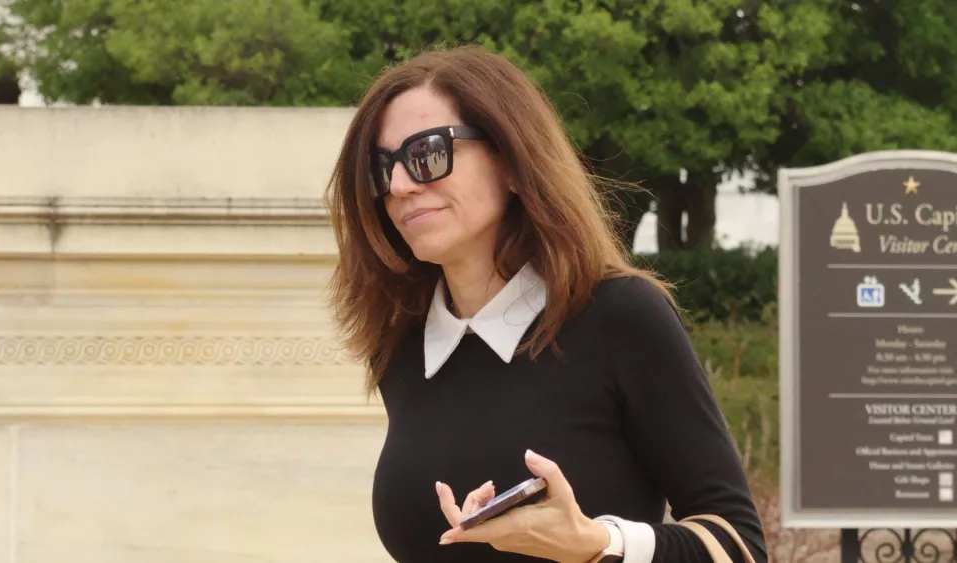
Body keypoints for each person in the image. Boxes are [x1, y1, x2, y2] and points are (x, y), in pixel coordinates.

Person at [323, 44, 767, 563]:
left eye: (427, 154)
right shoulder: (401, 348)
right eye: (381, 169)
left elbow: (739, 545)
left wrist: (599, 543)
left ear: (512, 163)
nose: (399, 186)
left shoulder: (621, 316)